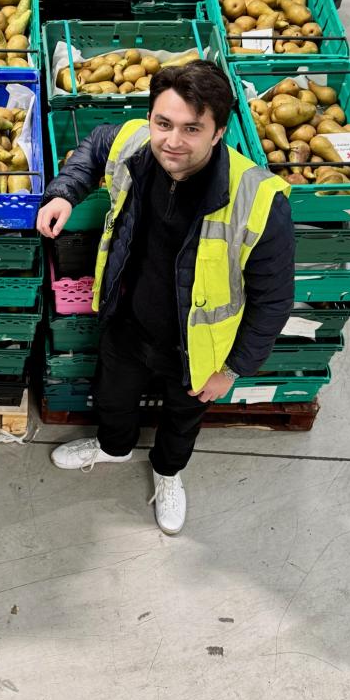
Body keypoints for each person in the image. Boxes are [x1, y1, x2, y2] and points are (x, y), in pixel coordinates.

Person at [37, 60, 294, 535]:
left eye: (192, 128)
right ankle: (113, 447)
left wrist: (233, 368)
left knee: (182, 418)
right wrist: (65, 193)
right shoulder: (138, 143)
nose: (172, 141)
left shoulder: (258, 198)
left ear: (218, 132)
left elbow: (273, 299)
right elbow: (96, 146)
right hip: (128, 321)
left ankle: (169, 473)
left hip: (196, 348)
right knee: (113, 398)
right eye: (164, 123)